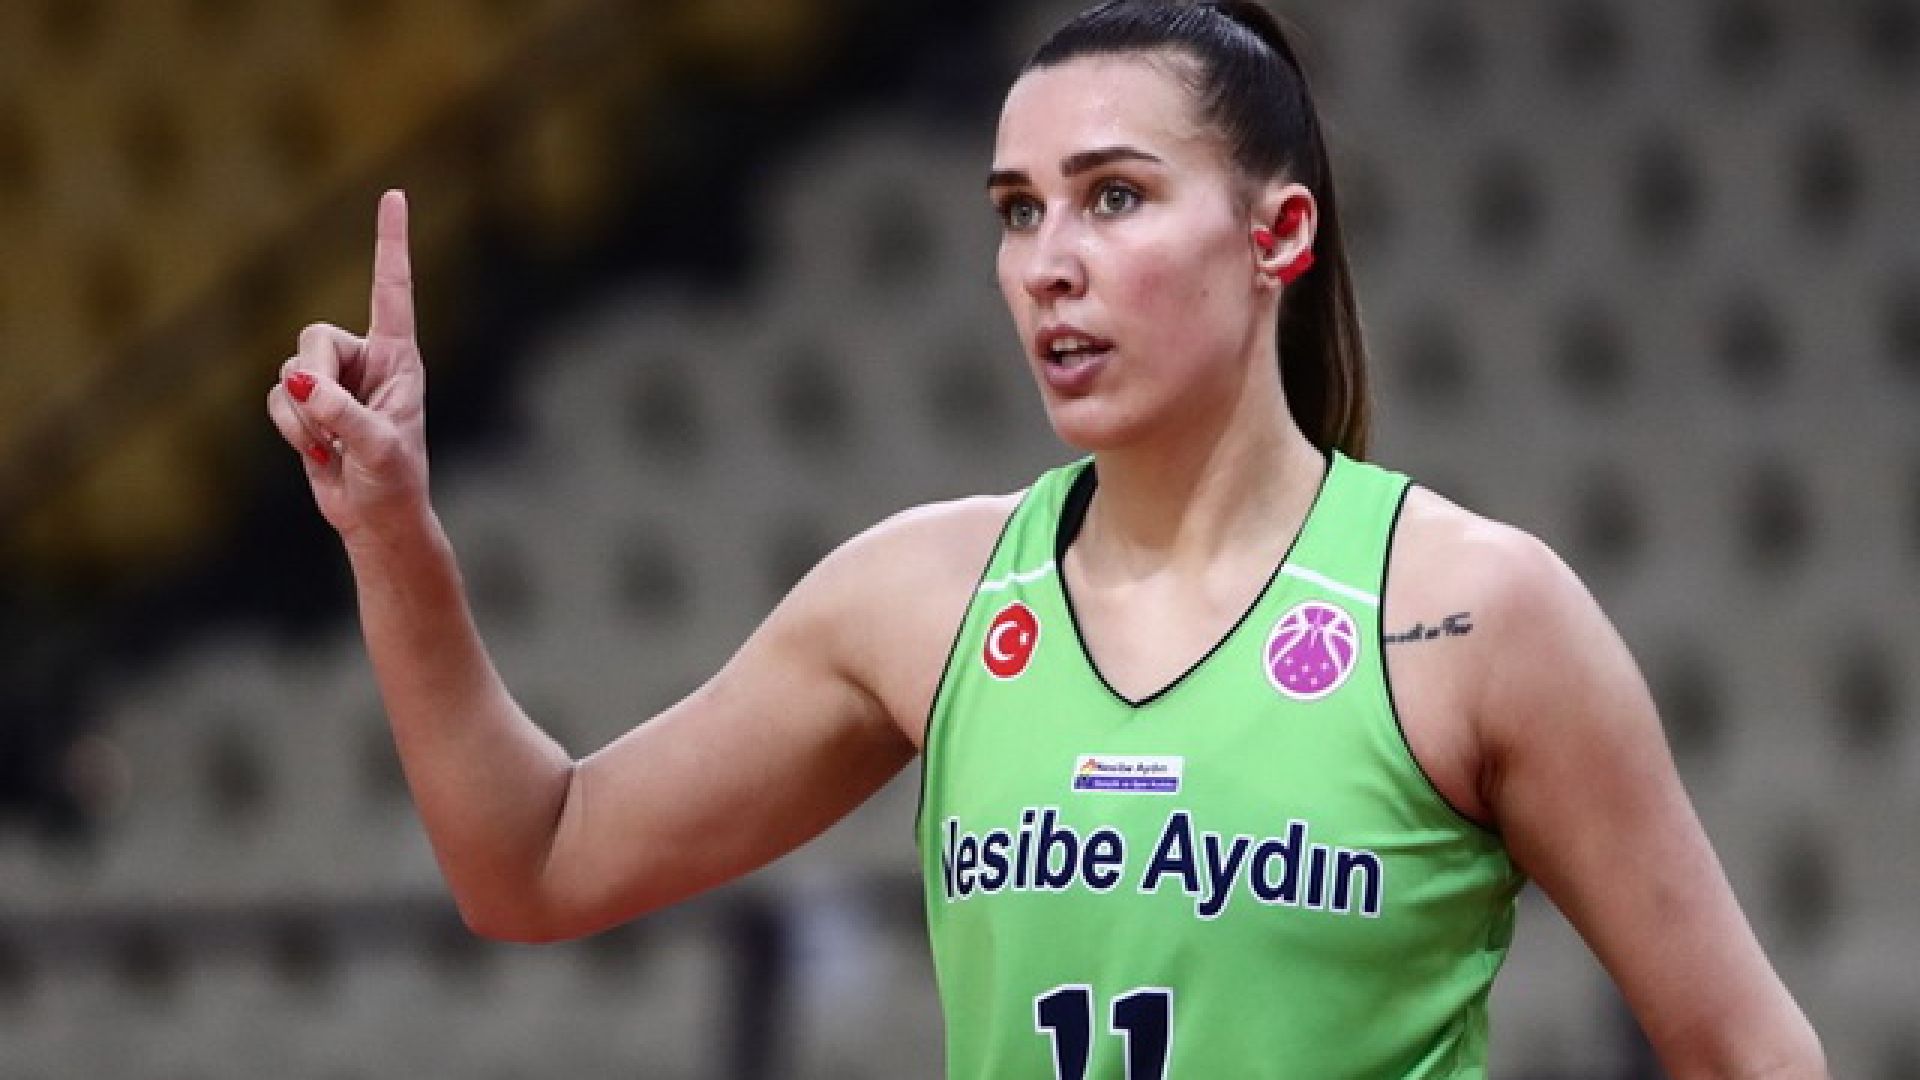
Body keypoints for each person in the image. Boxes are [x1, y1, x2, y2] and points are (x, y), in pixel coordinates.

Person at [265, 1, 1827, 1076]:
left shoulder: (1470, 611)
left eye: (1114, 197)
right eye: (1018, 210)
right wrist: (393, 532)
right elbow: (533, 864)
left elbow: (1751, 1054)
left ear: (1278, 233)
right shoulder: (922, 595)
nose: (1049, 263)